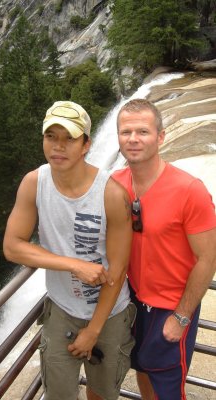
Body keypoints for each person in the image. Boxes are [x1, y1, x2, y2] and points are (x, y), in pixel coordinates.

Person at [3, 100, 136, 400]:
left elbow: (117, 270)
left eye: (69, 138)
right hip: (62, 310)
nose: (58, 147)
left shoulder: (113, 195)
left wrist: (93, 330)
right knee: (59, 394)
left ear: (86, 144)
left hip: (110, 314)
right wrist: (73, 264)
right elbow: (12, 247)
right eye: (51, 137)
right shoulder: (34, 183)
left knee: (101, 393)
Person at [112, 98, 216, 400]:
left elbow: (207, 258)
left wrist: (181, 317)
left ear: (160, 137)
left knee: (168, 388)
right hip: (130, 304)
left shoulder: (190, 190)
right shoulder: (115, 185)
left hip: (171, 306)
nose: (133, 139)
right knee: (142, 368)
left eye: (142, 131)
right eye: (125, 132)